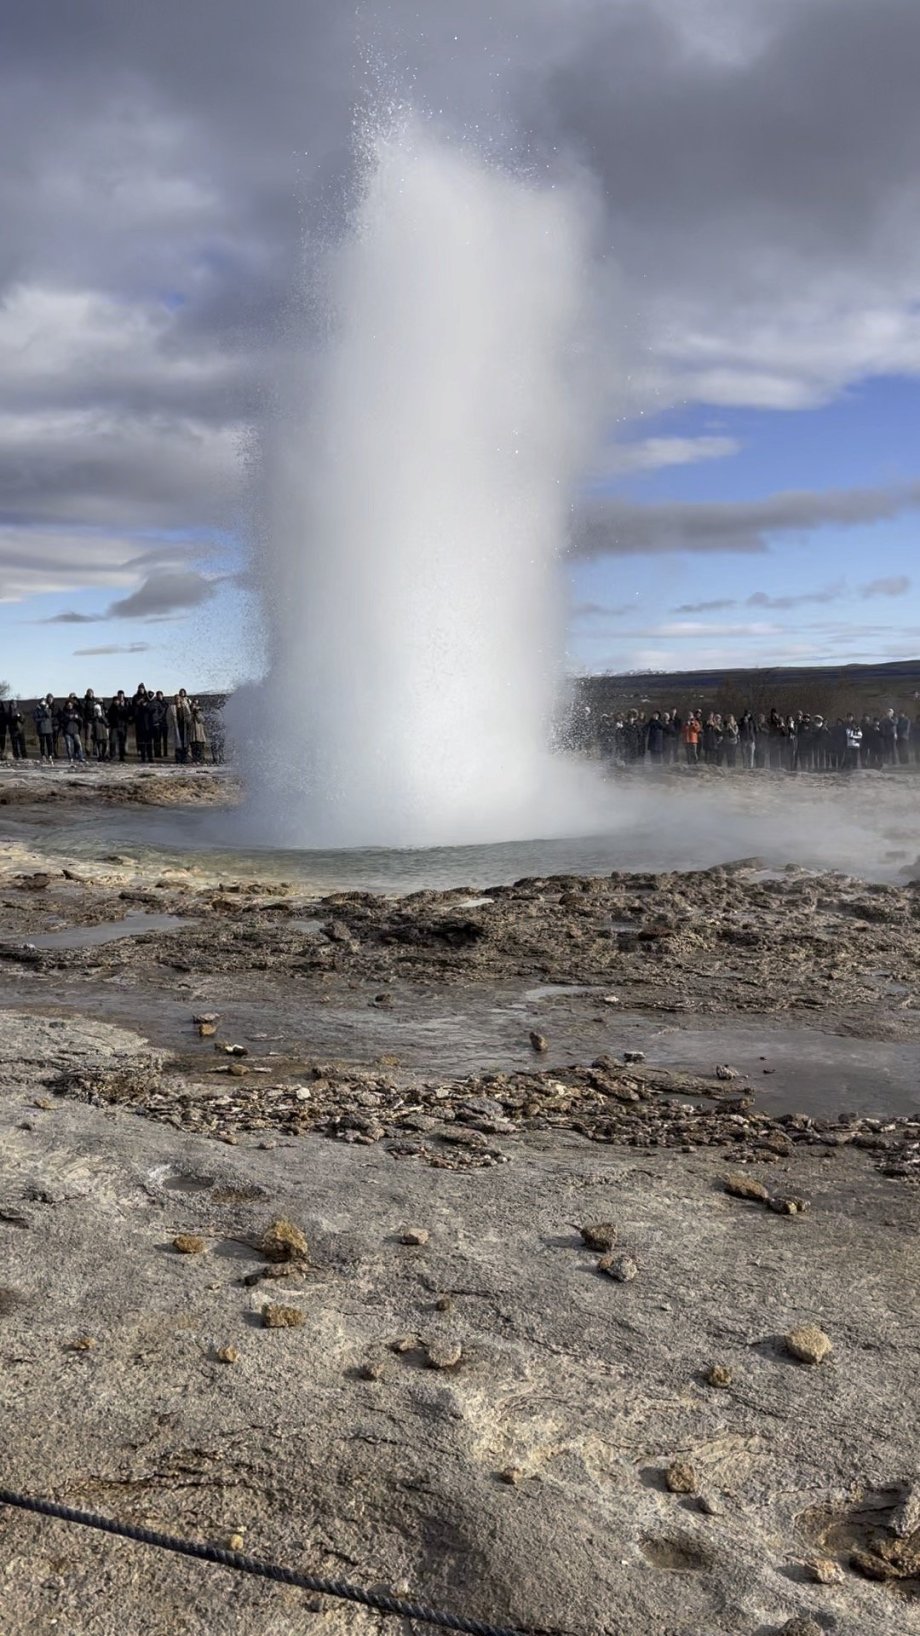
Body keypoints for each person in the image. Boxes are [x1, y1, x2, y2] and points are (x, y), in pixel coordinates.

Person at [108, 691, 130, 762]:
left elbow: (126, 714)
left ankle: (121, 756)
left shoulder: (125, 705)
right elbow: (109, 715)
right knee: (113, 741)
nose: (120, 698)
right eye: (119, 696)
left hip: (122, 726)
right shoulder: (112, 707)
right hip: (114, 726)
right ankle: (112, 755)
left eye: (121, 696)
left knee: (122, 742)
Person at [34, 697, 55, 764]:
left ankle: (50, 755)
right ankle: (43, 755)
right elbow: (35, 719)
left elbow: (49, 716)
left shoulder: (48, 709)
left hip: (48, 729)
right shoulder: (37, 710)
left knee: (50, 743)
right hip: (41, 729)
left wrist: (45, 709)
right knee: (42, 743)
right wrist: (42, 719)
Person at [188, 699, 208, 764]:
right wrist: (192, 714)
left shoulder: (199, 713)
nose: (193, 708)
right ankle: (195, 759)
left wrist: (197, 714)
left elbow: (201, 720)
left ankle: (201, 759)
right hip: (192, 734)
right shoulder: (189, 714)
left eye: (194, 706)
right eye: (192, 707)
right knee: (194, 748)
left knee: (200, 748)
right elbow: (188, 721)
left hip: (200, 734)